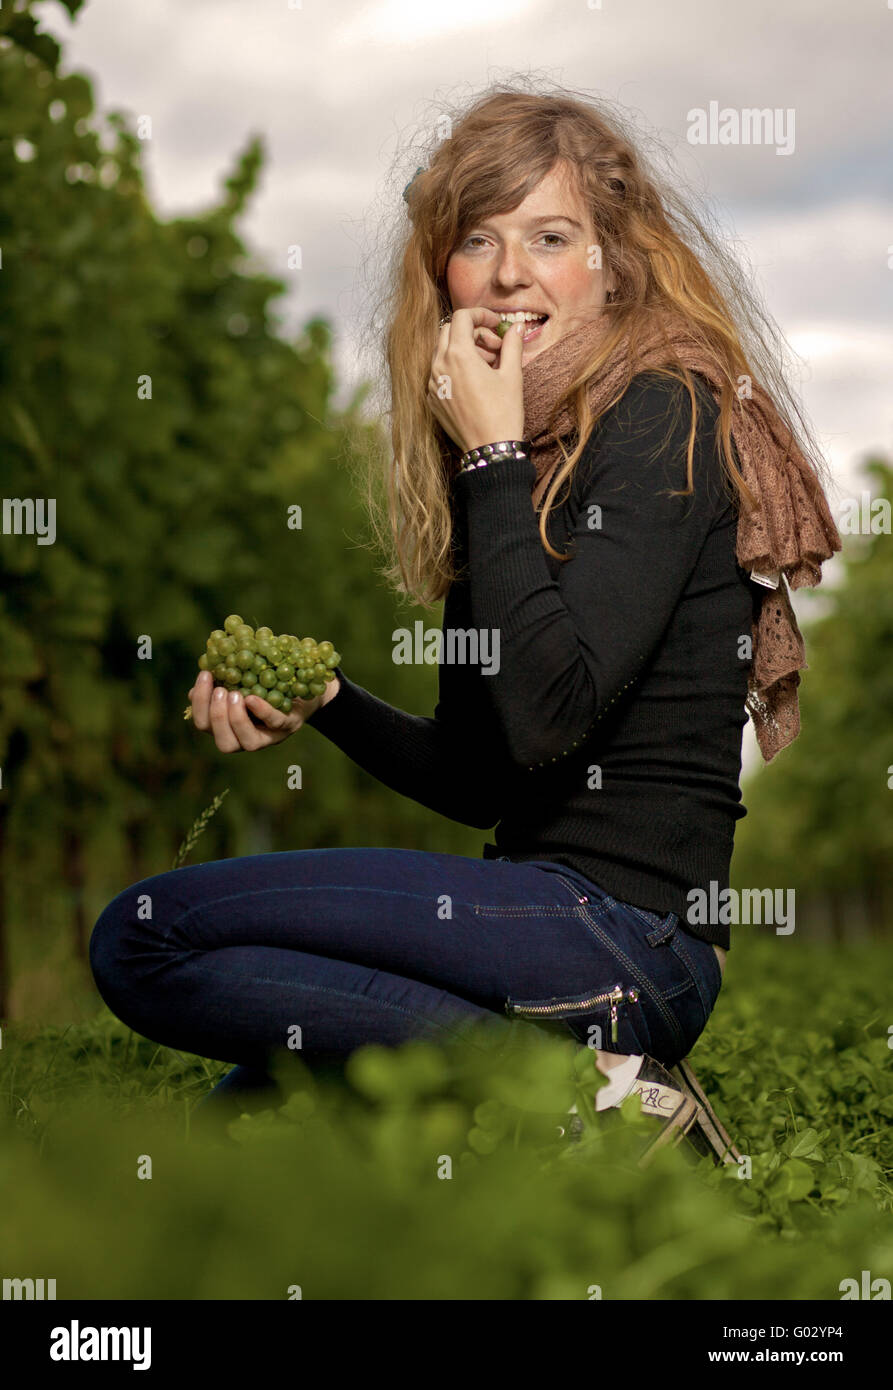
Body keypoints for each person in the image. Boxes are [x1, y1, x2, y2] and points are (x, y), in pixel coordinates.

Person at [88, 84, 839, 1167]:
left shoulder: (663, 410)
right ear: (440, 270)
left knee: (144, 938)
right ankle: (591, 1092)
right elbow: (486, 776)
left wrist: (486, 458)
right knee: (242, 1134)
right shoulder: (518, 449)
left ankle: (577, 1097)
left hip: (625, 936)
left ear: (612, 261)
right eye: (475, 240)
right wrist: (329, 704)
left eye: (549, 236)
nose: (506, 273)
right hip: (540, 920)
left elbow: (547, 721)